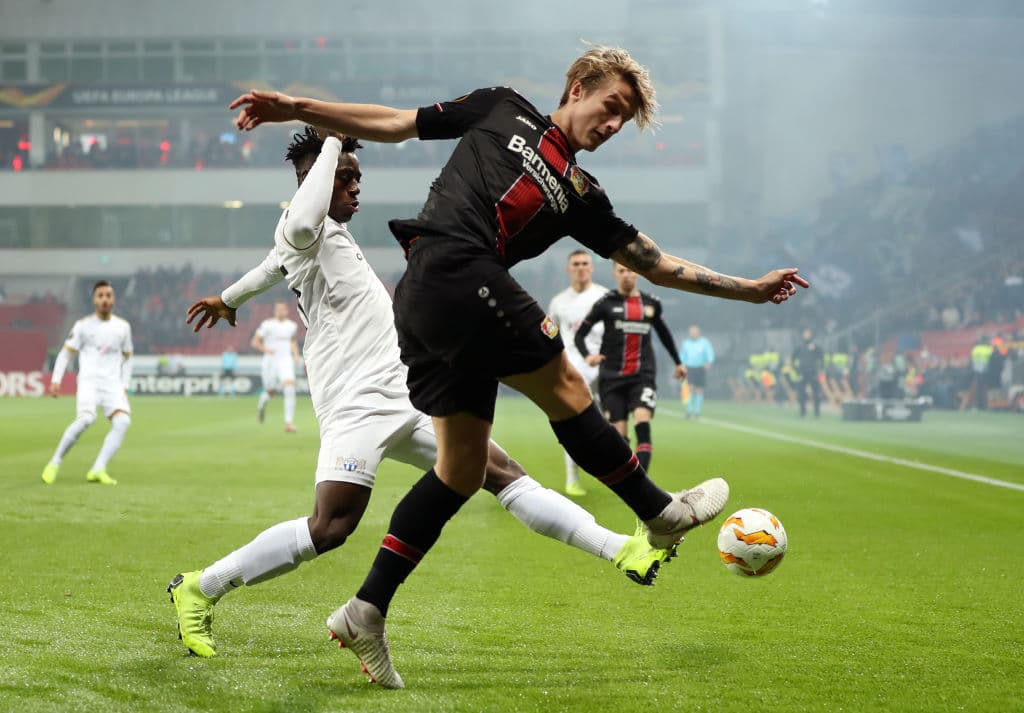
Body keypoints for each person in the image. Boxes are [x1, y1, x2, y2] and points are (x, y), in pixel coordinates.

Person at [230, 44, 808, 686]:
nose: (613, 124)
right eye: (611, 105)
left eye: (623, 120)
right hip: (451, 269)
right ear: (579, 85)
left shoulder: (582, 193)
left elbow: (655, 263)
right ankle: (660, 513)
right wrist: (295, 107)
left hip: (438, 307)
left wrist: (750, 290)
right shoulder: (501, 108)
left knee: (460, 471)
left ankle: (365, 610)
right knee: (566, 384)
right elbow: (395, 122)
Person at [168, 127, 673, 665]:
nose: (356, 187)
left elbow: (272, 264)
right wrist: (333, 142)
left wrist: (229, 298)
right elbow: (295, 228)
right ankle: (200, 587)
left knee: (501, 473)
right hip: (356, 403)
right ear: (315, 179)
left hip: (405, 392)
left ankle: (621, 548)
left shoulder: (324, 235)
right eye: (345, 178)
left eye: (358, 177)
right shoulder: (301, 227)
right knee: (331, 527)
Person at [574, 262, 685, 475]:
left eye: (630, 270)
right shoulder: (605, 303)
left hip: (643, 376)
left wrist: (678, 362)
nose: (626, 275)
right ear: (615, 274)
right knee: (619, 439)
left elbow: (665, 335)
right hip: (611, 378)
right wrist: (588, 356)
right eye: (621, 271)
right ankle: (631, 482)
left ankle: (642, 483)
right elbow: (580, 335)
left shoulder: (651, 303)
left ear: (638, 273)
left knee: (643, 425)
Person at [40, 281, 133, 486]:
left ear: (113, 299)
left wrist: (125, 385)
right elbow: (65, 354)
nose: (105, 299)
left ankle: (98, 468)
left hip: (112, 384)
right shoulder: (83, 326)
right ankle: (54, 463)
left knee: (123, 422)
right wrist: (56, 380)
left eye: (108, 295)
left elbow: (128, 358)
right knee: (86, 419)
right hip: (89, 382)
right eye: (100, 295)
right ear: (94, 300)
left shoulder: (123, 327)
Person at [547, 249, 608, 496]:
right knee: (573, 424)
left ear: (591, 267)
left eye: (585, 263)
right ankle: (572, 478)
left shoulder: (604, 297)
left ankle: (612, 472)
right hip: (572, 370)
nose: (581, 267)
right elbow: (550, 334)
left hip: (602, 369)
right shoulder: (558, 302)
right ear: (568, 268)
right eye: (576, 264)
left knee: (607, 425)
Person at [252, 301, 301, 431]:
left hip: (285, 360)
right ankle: (262, 403)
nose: (280, 311)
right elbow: (255, 342)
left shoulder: (292, 325)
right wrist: (266, 350)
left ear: (287, 311)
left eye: (283, 309)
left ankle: (288, 423)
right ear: (274, 311)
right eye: (278, 309)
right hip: (270, 361)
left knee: (290, 386)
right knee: (271, 392)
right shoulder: (267, 325)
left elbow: (293, 341)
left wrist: (296, 355)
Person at [680, 325, 714, 418]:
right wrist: (681, 364)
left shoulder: (704, 342)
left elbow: (710, 353)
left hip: (700, 368)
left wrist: (709, 362)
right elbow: (682, 355)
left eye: (695, 332)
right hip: (689, 368)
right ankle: (689, 411)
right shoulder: (686, 343)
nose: (693, 334)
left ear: (699, 333)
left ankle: (697, 412)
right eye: (692, 332)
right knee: (689, 388)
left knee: (699, 390)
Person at [793, 327, 824, 417]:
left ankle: (817, 411)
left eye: (808, 333)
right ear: (803, 335)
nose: (807, 335)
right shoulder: (800, 346)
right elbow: (793, 357)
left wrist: (821, 368)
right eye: (805, 333)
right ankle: (802, 411)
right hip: (802, 372)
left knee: (816, 392)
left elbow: (821, 356)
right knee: (801, 392)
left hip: (813, 372)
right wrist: (796, 369)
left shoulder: (815, 346)